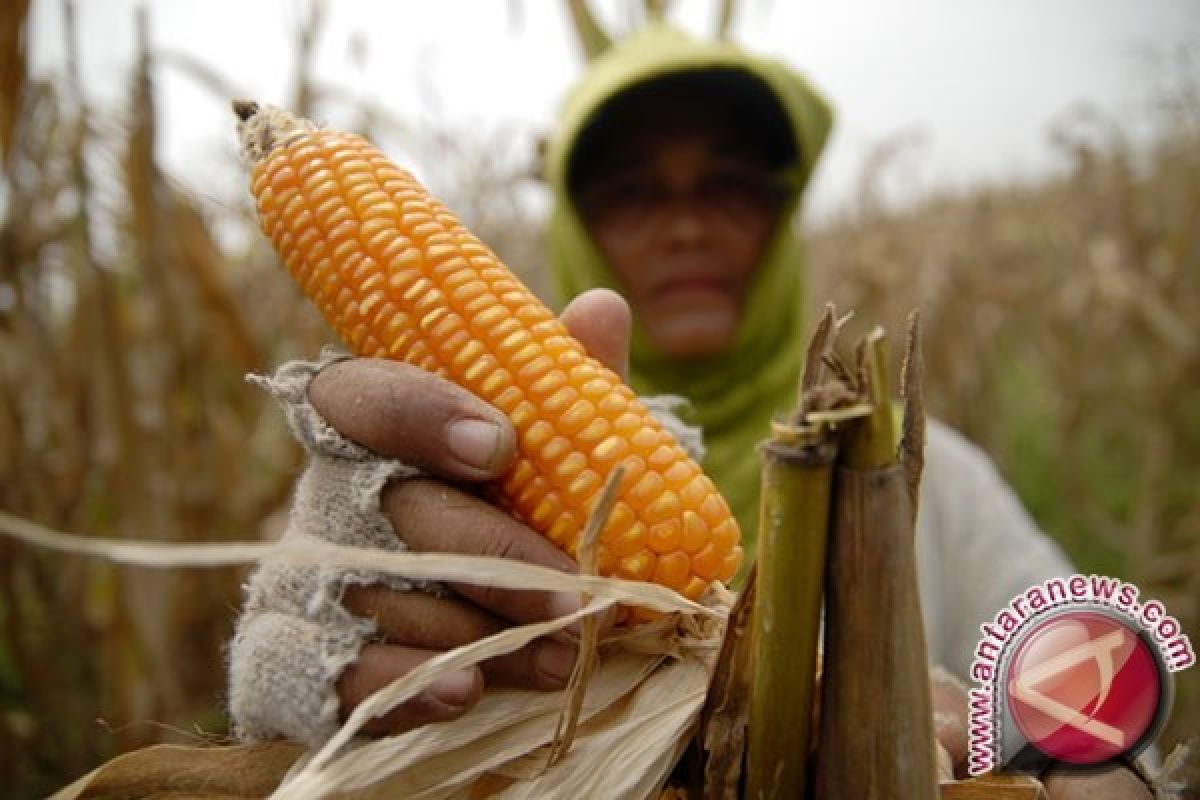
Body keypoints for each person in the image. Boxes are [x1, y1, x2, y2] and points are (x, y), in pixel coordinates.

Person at [228, 23, 1151, 795]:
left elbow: (1118, 682)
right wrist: (332, 731)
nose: (685, 224)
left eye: (730, 182)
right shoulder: (439, 482)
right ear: (574, 227)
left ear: (784, 216)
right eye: (631, 191)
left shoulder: (918, 470)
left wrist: (1026, 742)